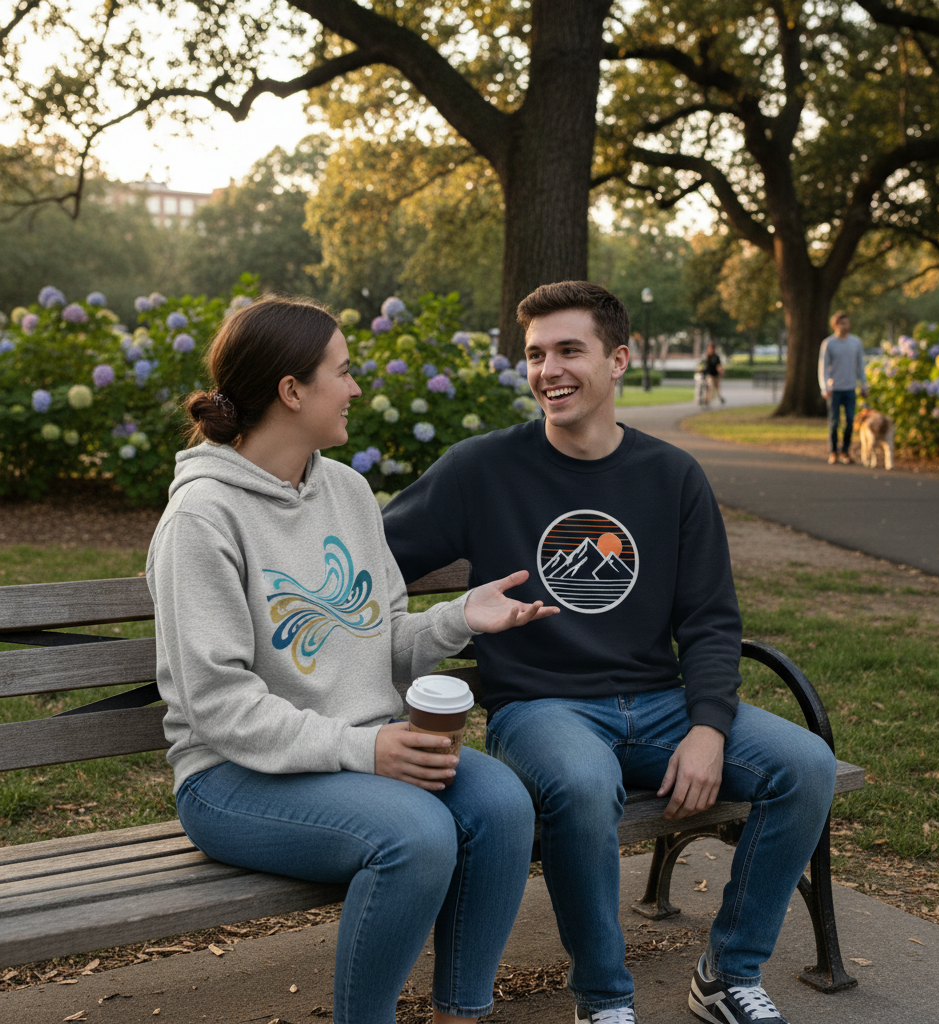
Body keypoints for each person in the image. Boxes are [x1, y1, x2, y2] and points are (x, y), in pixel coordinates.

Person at [382, 281, 836, 1024]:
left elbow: (712, 619)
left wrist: (708, 727)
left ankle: (728, 973)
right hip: (542, 709)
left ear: (619, 359)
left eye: (569, 350)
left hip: (659, 705)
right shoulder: (481, 470)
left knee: (807, 767)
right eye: (534, 354)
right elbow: (370, 557)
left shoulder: (671, 477)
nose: (547, 370)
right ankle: (603, 999)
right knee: (585, 787)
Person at [146, 295, 559, 1024]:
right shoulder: (202, 518)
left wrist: (462, 617)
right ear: (292, 390)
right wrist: (364, 749)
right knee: (418, 836)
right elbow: (218, 705)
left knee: (501, 805)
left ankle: (461, 1013)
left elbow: (383, 642)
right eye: (343, 371)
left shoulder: (346, 490)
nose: (357, 387)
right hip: (230, 776)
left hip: (351, 752)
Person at [818, 312, 867, 464]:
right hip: (834, 390)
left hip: (850, 388)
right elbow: (823, 367)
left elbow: (860, 365)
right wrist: (825, 387)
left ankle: (845, 451)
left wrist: (863, 385)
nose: (845, 326)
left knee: (850, 421)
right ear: (835, 325)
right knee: (834, 422)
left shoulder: (856, 342)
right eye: (842, 323)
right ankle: (833, 451)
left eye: (847, 323)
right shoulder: (829, 343)